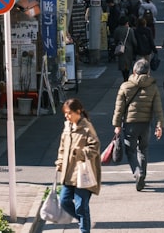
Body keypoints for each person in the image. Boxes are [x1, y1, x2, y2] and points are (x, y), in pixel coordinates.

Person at [112, 58, 164, 191]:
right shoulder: (153, 87)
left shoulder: (125, 86)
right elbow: (158, 108)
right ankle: (143, 175)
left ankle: (137, 172)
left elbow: (119, 108)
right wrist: (159, 125)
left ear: (134, 71)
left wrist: (117, 125)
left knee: (130, 151)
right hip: (146, 124)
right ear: (148, 72)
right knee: (143, 149)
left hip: (130, 124)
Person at [54, 98, 101, 233]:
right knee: (64, 201)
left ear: (78, 112)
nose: (66, 116)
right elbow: (62, 147)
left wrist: (80, 153)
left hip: (83, 173)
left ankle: (84, 229)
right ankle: (84, 221)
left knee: (81, 206)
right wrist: (60, 161)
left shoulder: (87, 127)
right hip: (68, 173)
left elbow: (95, 147)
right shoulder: (67, 127)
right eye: (65, 113)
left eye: (69, 113)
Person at [113, 16, 138, 81]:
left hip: (120, 49)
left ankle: (125, 78)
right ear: (127, 22)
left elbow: (115, 39)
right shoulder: (130, 30)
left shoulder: (117, 30)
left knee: (122, 64)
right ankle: (127, 77)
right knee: (128, 64)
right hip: (129, 49)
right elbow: (133, 41)